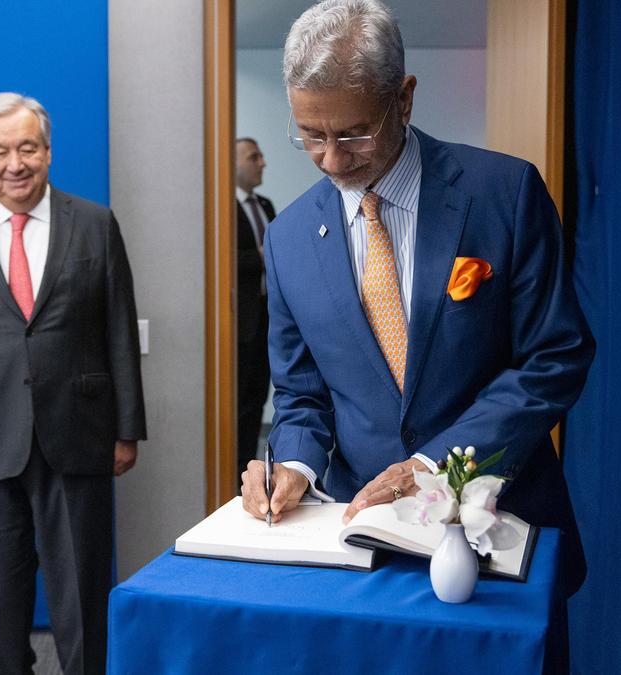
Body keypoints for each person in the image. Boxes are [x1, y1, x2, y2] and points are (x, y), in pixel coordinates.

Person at [239, 0, 595, 596]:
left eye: (353, 134)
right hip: (364, 535)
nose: (330, 160)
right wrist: (295, 465)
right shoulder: (289, 238)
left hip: (500, 523)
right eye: (311, 137)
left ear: (403, 98)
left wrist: (434, 466)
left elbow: (553, 358)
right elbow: (302, 393)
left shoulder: (503, 195)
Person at [0, 92, 146, 675]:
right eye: (0, 152)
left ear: (47, 151)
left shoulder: (95, 224)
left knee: (83, 592)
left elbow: (118, 329)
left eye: (27, 148)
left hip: (79, 434)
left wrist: (127, 430)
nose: (14, 163)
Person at [234, 137, 275, 477]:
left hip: (268, 321)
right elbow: (220, 262)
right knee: (239, 405)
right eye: (253, 157)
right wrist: (257, 258)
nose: (262, 162)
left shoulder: (265, 204)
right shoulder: (223, 210)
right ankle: (235, 474)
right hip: (239, 325)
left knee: (259, 401)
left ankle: (251, 468)